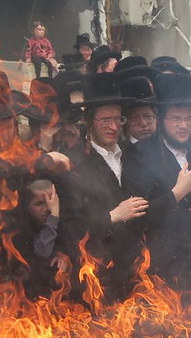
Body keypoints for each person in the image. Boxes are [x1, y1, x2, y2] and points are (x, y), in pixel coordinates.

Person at [122, 71, 191, 294]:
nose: (183, 125)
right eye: (175, 119)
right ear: (161, 119)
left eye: (188, 118)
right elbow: (138, 217)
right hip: (158, 270)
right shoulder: (138, 154)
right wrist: (177, 193)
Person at [63, 73, 148, 302]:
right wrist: (111, 216)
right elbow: (70, 226)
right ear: (89, 121)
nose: (113, 127)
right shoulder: (74, 162)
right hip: (96, 275)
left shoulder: (133, 157)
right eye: (105, 120)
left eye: (118, 119)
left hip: (135, 271)